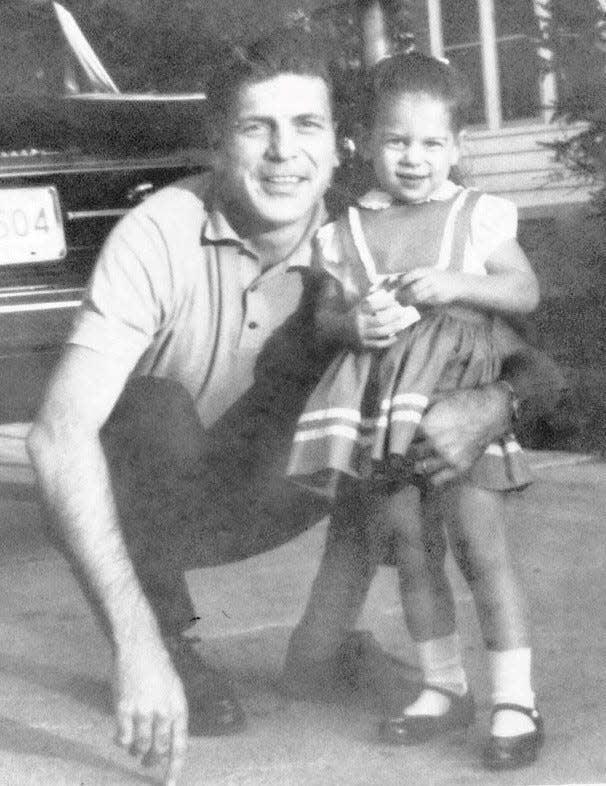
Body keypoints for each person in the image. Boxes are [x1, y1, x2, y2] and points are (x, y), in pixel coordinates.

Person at [26, 30, 561, 786]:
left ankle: (323, 643)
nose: (284, 153)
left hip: (285, 481)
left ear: (340, 144)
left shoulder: (368, 227)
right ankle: (169, 640)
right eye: (256, 127)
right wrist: (134, 647)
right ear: (218, 143)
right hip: (164, 496)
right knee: (150, 410)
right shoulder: (158, 232)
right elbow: (57, 438)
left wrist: (493, 401)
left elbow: (536, 359)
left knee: (383, 406)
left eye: (305, 126)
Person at [286, 52, 544, 770]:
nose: (415, 158)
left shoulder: (475, 217)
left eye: (433, 143)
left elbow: (523, 292)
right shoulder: (348, 232)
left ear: (458, 148)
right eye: (397, 141)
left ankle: (514, 700)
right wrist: (352, 327)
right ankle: (442, 685)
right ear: (365, 143)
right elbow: (322, 323)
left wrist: (457, 279)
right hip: (385, 408)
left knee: (478, 549)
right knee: (409, 550)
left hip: (457, 398)